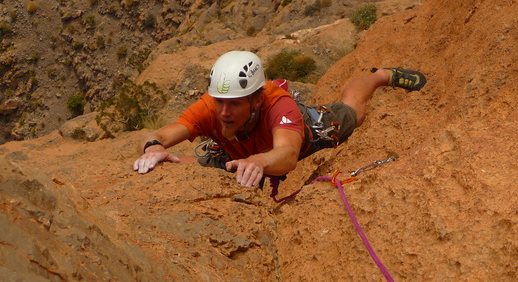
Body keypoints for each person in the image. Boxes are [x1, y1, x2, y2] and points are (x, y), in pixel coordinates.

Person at [133, 50, 426, 187]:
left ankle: (380, 76)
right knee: (191, 165)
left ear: (257, 99)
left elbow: (287, 155)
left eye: (233, 104)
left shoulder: (278, 105)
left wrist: (260, 161)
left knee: (353, 112)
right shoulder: (213, 105)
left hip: (299, 133)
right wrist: (154, 149)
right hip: (242, 151)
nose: (223, 112)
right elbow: (158, 134)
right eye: (219, 102)